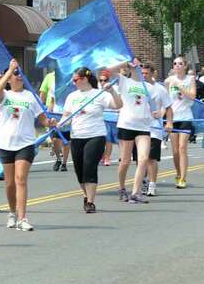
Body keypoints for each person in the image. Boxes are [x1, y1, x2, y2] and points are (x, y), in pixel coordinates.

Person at [0, 59, 50, 231]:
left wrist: (51, 122)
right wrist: (10, 70)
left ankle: (23, 218)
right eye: (16, 74)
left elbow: (43, 119)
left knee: (20, 179)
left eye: (20, 74)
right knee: (9, 183)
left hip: (25, 143)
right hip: (5, 144)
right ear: (8, 78)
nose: (19, 77)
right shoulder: (5, 96)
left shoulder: (31, 96)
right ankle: (12, 212)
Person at [61, 67, 121, 213]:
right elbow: (66, 116)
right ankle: (85, 194)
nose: (73, 82)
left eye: (76, 80)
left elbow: (118, 105)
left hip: (95, 135)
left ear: (85, 79)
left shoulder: (99, 94)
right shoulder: (72, 96)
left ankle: (90, 202)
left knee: (89, 166)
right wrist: (60, 123)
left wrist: (112, 91)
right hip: (77, 136)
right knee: (79, 171)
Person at [110, 59, 156, 204]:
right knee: (125, 161)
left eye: (140, 65)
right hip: (126, 125)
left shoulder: (149, 86)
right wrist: (125, 63)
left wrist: (159, 113)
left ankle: (136, 192)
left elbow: (157, 106)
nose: (138, 68)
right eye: (136, 65)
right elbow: (108, 70)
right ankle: (122, 187)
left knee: (143, 159)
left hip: (143, 127)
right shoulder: (124, 81)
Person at [163, 56, 195, 188]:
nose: (177, 65)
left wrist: (180, 87)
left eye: (180, 63)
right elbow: (164, 100)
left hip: (185, 116)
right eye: (175, 63)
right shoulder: (169, 80)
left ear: (185, 66)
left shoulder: (190, 79)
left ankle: (183, 178)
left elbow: (192, 96)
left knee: (182, 148)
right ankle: (177, 173)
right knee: (175, 150)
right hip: (172, 118)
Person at [141, 63, 170, 197]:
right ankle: (143, 181)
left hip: (155, 128)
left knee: (151, 158)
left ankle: (152, 184)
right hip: (140, 126)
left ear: (153, 73)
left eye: (146, 73)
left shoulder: (160, 89)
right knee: (142, 159)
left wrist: (165, 117)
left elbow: (168, 106)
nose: (144, 75)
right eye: (142, 73)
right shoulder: (138, 87)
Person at [38, 68, 67, 172]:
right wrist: (41, 108)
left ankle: (64, 162)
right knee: (54, 138)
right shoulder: (49, 77)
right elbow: (43, 92)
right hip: (52, 111)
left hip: (65, 111)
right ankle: (58, 157)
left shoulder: (67, 76)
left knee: (65, 137)